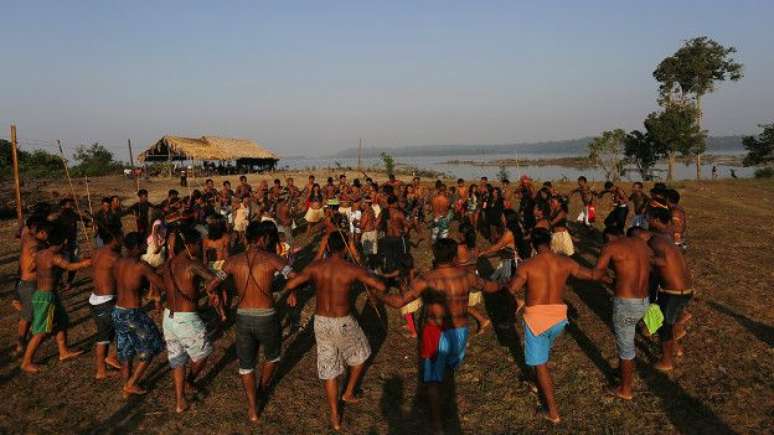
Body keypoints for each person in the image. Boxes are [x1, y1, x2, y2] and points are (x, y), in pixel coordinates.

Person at [378, 238, 499, 434]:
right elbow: (489, 286)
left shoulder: (426, 279)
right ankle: (443, 406)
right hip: (460, 330)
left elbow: (400, 301)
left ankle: (436, 424)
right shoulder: (466, 276)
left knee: (434, 378)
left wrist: (380, 296)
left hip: (435, 330)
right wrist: (508, 284)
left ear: (435, 255)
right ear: (453, 256)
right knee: (448, 371)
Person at [284, 231, 386, 431]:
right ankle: (348, 393)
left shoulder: (316, 266)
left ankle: (334, 414)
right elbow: (380, 285)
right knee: (362, 354)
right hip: (343, 320)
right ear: (345, 248)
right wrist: (359, 260)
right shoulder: (351, 268)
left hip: (321, 321)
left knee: (329, 367)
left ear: (328, 247)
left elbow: (290, 283)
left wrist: (293, 291)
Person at [504, 228, 596, 424]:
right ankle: (533, 377)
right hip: (559, 318)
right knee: (541, 355)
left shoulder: (527, 266)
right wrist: (606, 276)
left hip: (536, 319)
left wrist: (515, 295)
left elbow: (511, 289)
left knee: (541, 365)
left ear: (532, 245)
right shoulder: (566, 262)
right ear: (550, 241)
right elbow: (588, 275)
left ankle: (552, 411)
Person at [219, 221, 294, 422]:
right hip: (266, 316)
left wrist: (218, 292)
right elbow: (295, 276)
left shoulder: (232, 261)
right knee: (272, 357)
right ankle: (262, 389)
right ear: (263, 239)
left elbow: (213, 282)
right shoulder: (272, 259)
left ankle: (253, 408)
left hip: (242, 317)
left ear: (247, 238)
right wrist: (292, 290)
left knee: (246, 365)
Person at [160, 228, 225, 413]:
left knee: (177, 359)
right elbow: (213, 280)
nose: (200, 247)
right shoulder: (192, 264)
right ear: (189, 245)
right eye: (198, 244)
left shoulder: (169, 263)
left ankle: (180, 401)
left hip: (168, 317)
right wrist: (224, 271)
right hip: (185, 318)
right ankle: (189, 381)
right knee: (204, 352)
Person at [21, 228, 93, 373]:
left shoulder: (40, 254)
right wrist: (87, 262)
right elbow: (70, 266)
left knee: (62, 321)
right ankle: (26, 362)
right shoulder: (54, 257)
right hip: (45, 298)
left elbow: (30, 268)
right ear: (62, 242)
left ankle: (63, 351)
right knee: (41, 332)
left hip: (48, 295)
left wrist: (45, 273)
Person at [592, 226, 652, 400]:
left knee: (626, 348)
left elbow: (597, 274)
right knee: (629, 342)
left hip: (626, 304)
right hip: (644, 300)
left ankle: (625, 389)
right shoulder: (641, 244)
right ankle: (622, 372)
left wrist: (610, 281)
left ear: (610, 236)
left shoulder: (611, 247)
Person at [112, 232, 167, 397]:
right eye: (143, 244)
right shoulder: (141, 266)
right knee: (151, 346)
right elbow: (162, 284)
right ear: (136, 247)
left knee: (125, 352)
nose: (146, 246)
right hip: (133, 314)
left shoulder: (118, 262)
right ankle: (131, 384)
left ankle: (126, 385)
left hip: (118, 311)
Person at [646, 208, 694, 372]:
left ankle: (667, 361)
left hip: (673, 293)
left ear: (656, 219)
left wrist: (645, 259)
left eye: (649, 217)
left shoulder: (655, 241)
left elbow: (662, 262)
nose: (647, 220)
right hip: (686, 290)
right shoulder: (668, 237)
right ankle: (677, 349)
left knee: (665, 327)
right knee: (672, 321)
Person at [14, 218, 51, 356]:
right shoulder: (34, 243)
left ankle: (25, 341)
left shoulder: (32, 238)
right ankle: (20, 343)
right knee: (27, 316)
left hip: (33, 284)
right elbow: (31, 266)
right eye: (47, 233)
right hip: (29, 284)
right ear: (41, 231)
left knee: (31, 315)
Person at [90, 231, 123, 380]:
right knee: (104, 337)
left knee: (113, 332)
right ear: (115, 238)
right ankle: (102, 369)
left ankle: (111, 358)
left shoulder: (98, 252)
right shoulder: (114, 257)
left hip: (99, 299)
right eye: (120, 235)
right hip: (105, 301)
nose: (122, 238)